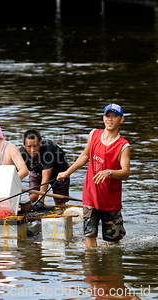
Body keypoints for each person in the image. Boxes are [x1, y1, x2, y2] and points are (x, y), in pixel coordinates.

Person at [57, 103, 130, 247]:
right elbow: (84, 156)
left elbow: (126, 172)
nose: (110, 119)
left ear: (121, 120)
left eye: (114, 116)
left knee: (113, 243)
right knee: (89, 236)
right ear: (103, 118)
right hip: (90, 196)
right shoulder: (94, 134)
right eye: (107, 116)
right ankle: (91, 267)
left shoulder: (123, 145)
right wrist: (66, 173)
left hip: (111, 200)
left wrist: (109, 172)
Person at [19, 129, 70, 206]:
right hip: (37, 171)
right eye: (29, 147)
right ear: (24, 145)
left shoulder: (48, 151)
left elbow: (45, 179)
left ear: (40, 144)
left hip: (59, 173)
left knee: (59, 202)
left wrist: (40, 202)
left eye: (35, 146)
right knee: (33, 197)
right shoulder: (21, 154)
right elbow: (14, 175)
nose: (32, 150)